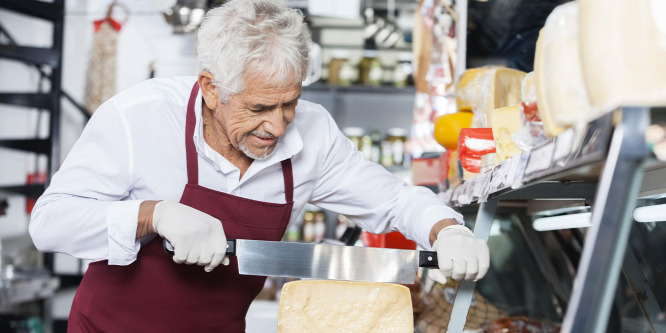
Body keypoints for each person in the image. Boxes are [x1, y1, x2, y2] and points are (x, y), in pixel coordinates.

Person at [29, 0, 489, 331]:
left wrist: (445, 228)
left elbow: (393, 200)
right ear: (211, 88)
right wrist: (154, 214)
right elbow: (49, 224)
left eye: (290, 102)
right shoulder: (139, 117)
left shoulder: (312, 133)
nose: (278, 124)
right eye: (259, 107)